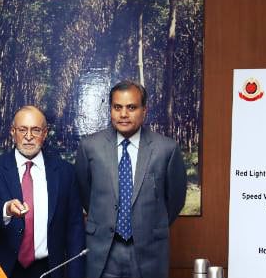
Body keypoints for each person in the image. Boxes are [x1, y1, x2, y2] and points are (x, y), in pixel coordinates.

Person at [75, 80, 187, 278]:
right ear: (110, 110)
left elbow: (175, 200)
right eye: (117, 107)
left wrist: (148, 225)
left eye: (131, 107)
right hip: (103, 250)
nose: (124, 114)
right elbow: (85, 193)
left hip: (149, 251)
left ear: (144, 111)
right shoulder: (89, 147)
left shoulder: (166, 149)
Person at [0, 106, 86, 278]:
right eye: (23, 129)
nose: (29, 136)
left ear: (45, 133)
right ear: (13, 132)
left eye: (36, 130)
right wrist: (6, 209)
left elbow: (75, 228)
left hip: (48, 269)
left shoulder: (65, 172)